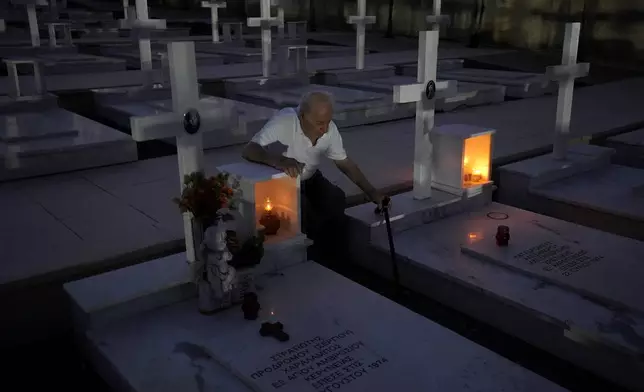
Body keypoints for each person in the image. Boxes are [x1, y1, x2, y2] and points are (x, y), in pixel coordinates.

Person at [241, 91, 383, 257]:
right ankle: (310, 256)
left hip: (310, 177)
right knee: (303, 211)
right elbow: (248, 150)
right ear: (302, 116)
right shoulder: (284, 122)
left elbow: (345, 164)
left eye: (328, 122)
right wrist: (278, 160)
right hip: (284, 181)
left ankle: (335, 254)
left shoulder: (330, 130)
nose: (324, 129)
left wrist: (373, 193)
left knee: (335, 198)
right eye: (319, 123)